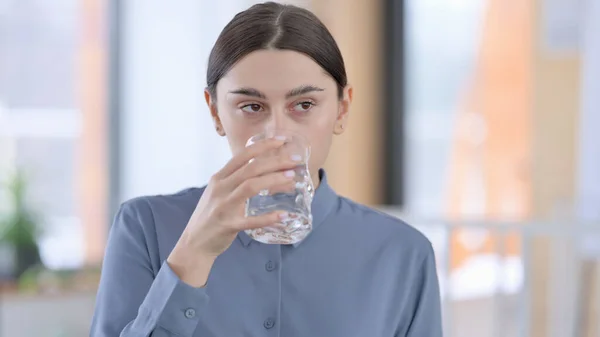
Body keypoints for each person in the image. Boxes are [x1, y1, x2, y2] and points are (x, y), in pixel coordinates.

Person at [90, 2, 442, 336]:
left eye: (304, 104)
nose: (276, 132)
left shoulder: (404, 254)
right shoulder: (145, 227)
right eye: (251, 106)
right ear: (215, 113)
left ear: (342, 108)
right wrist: (193, 252)